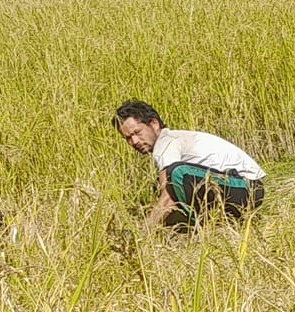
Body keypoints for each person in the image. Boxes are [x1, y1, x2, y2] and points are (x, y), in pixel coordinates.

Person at [111, 99, 268, 231]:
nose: (134, 142)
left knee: (176, 174)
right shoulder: (172, 141)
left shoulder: (166, 143)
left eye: (137, 132)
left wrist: (143, 231)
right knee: (161, 184)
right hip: (240, 189)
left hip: (247, 188)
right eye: (128, 138)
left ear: (154, 124)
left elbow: (168, 197)